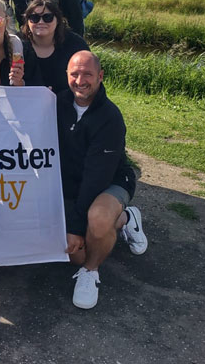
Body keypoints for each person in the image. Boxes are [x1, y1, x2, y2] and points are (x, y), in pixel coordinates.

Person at [58, 51, 148, 309]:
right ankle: (124, 219)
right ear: (66, 75)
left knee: (96, 219)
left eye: (87, 74)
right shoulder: (56, 104)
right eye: (74, 74)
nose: (80, 80)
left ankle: (90, 271)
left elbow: (97, 178)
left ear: (100, 76)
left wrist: (75, 226)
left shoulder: (110, 117)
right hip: (74, 183)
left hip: (110, 181)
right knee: (74, 253)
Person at [21, 0, 89, 93]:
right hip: (28, 102)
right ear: (27, 22)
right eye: (34, 18)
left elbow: (90, 80)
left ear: (58, 20)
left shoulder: (75, 45)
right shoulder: (17, 44)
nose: (41, 22)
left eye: (47, 17)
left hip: (67, 103)